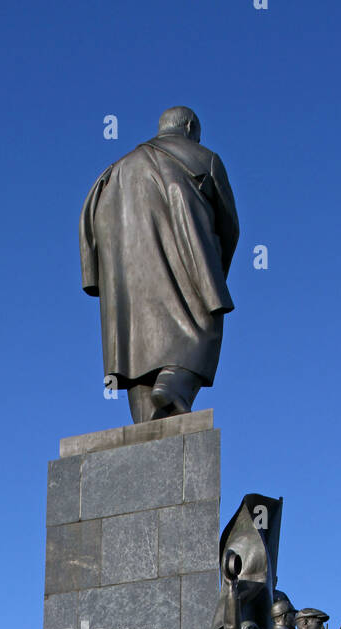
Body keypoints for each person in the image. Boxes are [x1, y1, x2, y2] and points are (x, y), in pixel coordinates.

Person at [80, 107, 239, 423]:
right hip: (186, 258)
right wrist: (215, 271)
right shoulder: (203, 158)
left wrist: (96, 274)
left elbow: (87, 223)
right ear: (191, 127)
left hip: (126, 281)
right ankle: (174, 381)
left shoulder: (114, 171)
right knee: (205, 323)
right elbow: (229, 225)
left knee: (135, 344)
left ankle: (148, 414)